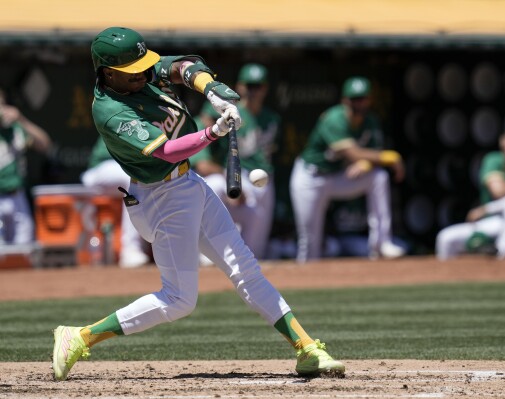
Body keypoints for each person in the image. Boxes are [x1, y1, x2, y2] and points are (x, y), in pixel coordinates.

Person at [52, 26, 344, 381]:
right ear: (107, 72)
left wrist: (212, 91)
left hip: (188, 184)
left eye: (143, 66)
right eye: (132, 72)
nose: (143, 74)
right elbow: (165, 150)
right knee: (179, 300)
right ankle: (80, 337)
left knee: (245, 267)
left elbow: (183, 66)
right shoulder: (111, 110)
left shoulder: (138, 71)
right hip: (160, 196)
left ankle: (306, 348)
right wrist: (213, 133)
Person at [289, 76, 406, 263]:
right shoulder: (334, 118)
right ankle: (307, 280)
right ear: (345, 100)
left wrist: (367, 163)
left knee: (378, 177)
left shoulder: (371, 121)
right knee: (310, 242)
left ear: (369, 100)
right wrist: (388, 157)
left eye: (362, 98)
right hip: (311, 178)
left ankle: (382, 243)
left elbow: (369, 154)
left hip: (337, 177)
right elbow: (353, 153)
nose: (358, 104)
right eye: (354, 99)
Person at [190, 64, 278, 260]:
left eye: (258, 86)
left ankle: (246, 260)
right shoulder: (228, 112)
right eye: (250, 86)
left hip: (260, 177)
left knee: (257, 239)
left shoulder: (270, 118)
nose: (254, 91)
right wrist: (234, 181)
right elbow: (204, 122)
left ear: (265, 88)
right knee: (212, 185)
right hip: (234, 175)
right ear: (241, 86)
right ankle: (206, 254)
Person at [435, 130, 505, 260]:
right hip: (493, 223)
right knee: (445, 238)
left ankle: (500, 255)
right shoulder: (494, 159)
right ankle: (448, 277)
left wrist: (485, 209)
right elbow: (498, 191)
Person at [81, 138, 150, 267]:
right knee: (132, 177)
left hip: (130, 167)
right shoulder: (123, 119)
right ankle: (130, 249)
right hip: (102, 168)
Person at [0, 88, 53, 244]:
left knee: (24, 251)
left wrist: (21, 119)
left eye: (1, 104)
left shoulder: (16, 130)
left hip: (17, 197)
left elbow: (45, 144)